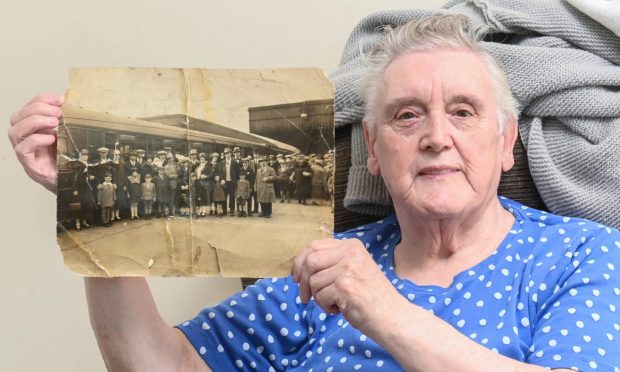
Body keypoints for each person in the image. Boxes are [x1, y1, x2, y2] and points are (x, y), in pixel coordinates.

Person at [9, 14, 620, 372]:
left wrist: (378, 307)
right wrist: (91, 200)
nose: (437, 136)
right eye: (407, 116)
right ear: (373, 153)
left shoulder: (582, 254)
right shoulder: (324, 264)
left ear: (506, 141)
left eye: (463, 112)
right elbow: (159, 364)